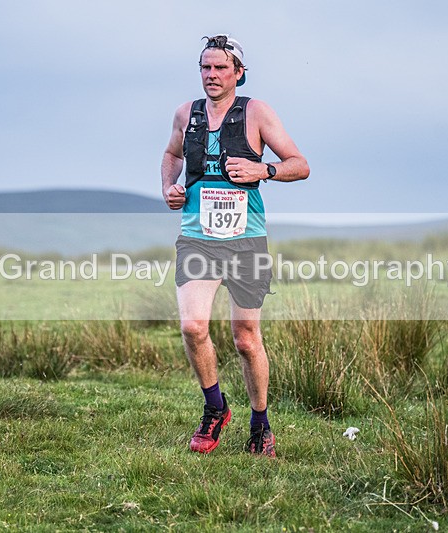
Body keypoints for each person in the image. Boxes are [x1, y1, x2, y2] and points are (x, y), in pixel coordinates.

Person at [161, 35, 310, 457]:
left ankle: (260, 424)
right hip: (197, 237)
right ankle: (215, 408)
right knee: (193, 326)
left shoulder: (257, 112)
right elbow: (171, 154)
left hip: (246, 239)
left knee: (245, 337)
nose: (211, 75)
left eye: (221, 68)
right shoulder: (185, 113)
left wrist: (262, 168)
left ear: (238, 73)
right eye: (205, 68)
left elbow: (301, 165)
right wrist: (168, 187)